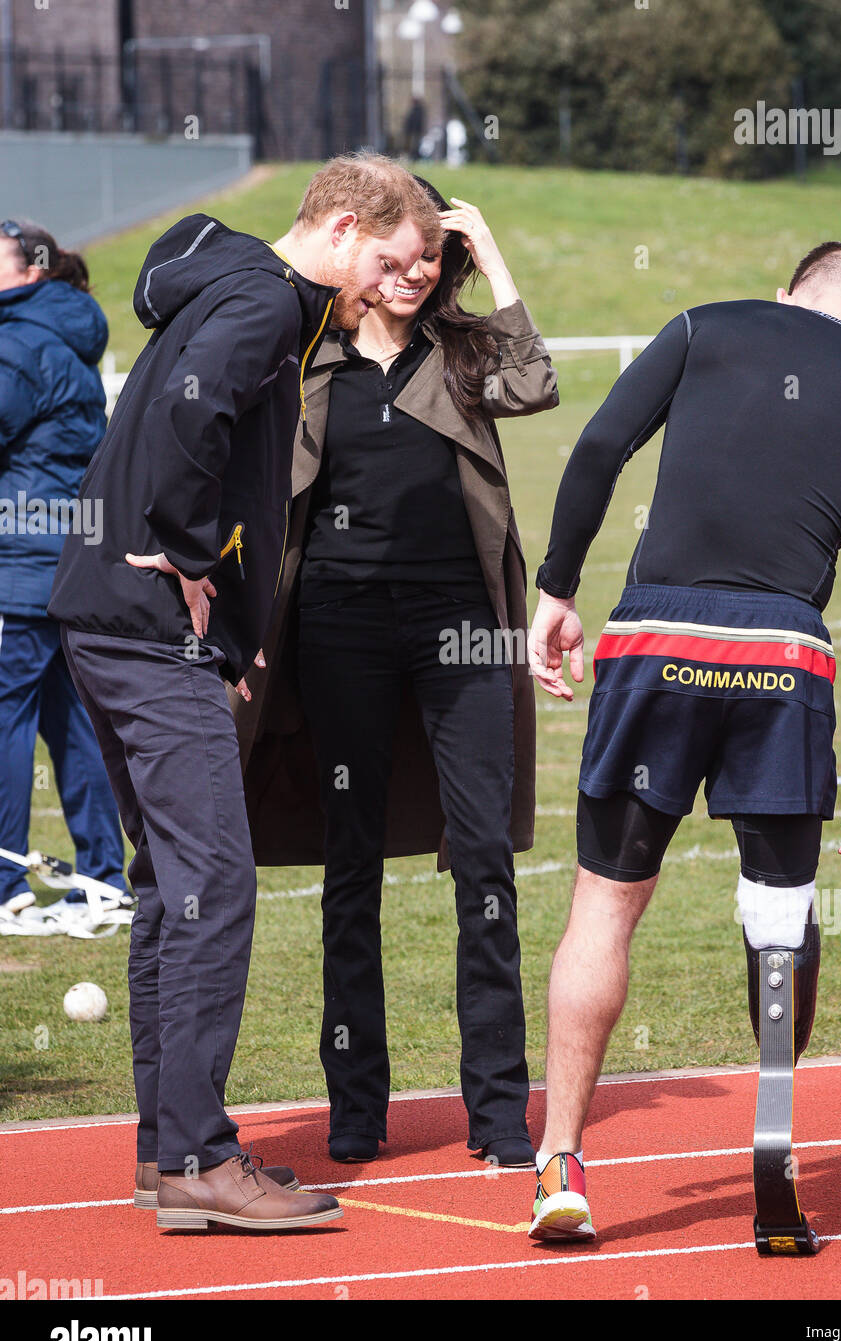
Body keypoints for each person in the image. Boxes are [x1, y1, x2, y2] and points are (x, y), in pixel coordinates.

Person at [523, 242, 841, 1240]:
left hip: (653, 637)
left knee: (605, 907)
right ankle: (771, 1136)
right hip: (784, 662)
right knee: (779, 916)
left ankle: (561, 1163)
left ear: (786, 296)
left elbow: (595, 450)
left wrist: (556, 589)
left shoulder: (705, 322)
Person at [48, 153, 443, 1233]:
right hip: (142, 623)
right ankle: (197, 1157)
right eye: (395, 261)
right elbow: (191, 411)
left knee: (175, 886)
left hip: (100, 615)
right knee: (215, 884)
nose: (390, 287)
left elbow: (179, 324)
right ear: (350, 225)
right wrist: (186, 556)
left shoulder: (229, 273)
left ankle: (164, 1150)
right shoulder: (267, 301)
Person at [231, 181, 557, 1167]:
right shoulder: (310, 357)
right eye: (403, 258)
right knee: (351, 867)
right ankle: (356, 1107)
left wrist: (492, 253)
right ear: (363, 253)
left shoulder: (460, 356)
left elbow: (534, 382)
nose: (418, 276)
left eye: (435, 261)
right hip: (339, 629)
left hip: (462, 631)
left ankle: (499, 1112)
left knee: (486, 863)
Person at [0, 219, 130, 936]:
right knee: (72, 720)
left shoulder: (17, 342)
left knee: (7, 718)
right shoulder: (64, 330)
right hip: (68, 559)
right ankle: (102, 878)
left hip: (19, 558)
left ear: (30, 271)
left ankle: (6, 886)